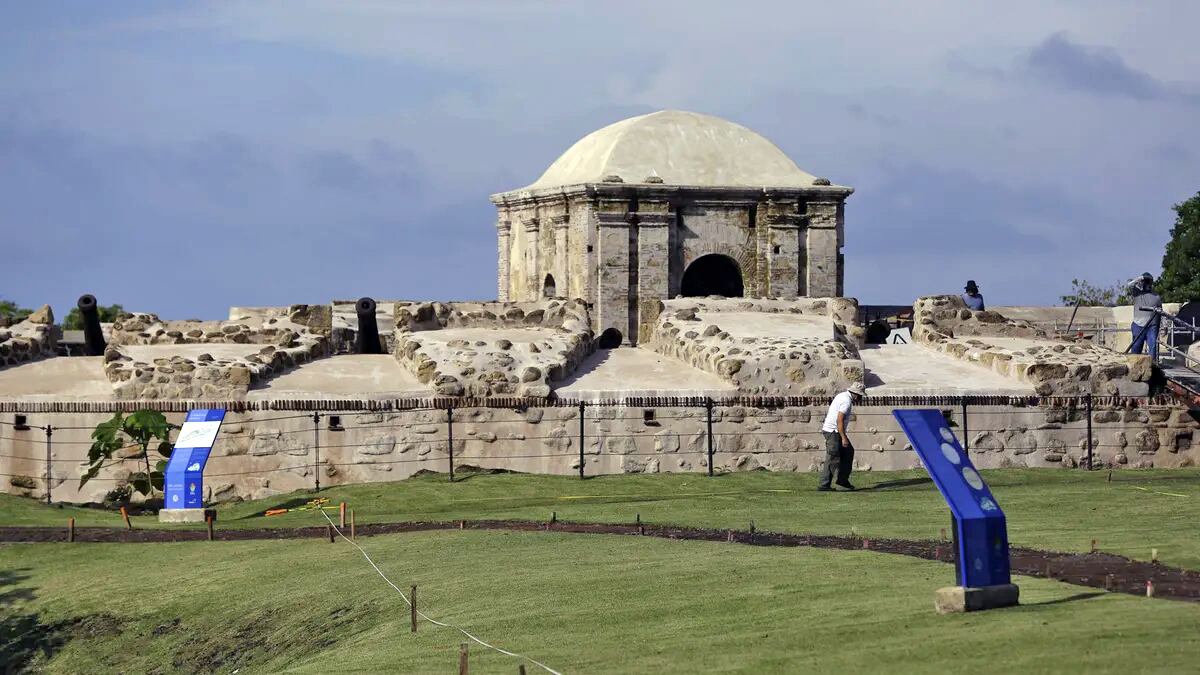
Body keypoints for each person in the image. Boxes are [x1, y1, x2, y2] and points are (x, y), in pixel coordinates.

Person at [818, 381, 865, 491]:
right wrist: (843, 437)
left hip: (835, 430)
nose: (860, 399)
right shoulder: (846, 401)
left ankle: (842, 481)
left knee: (848, 452)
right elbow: (839, 420)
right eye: (860, 396)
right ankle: (824, 485)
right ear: (855, 394)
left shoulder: (842, 395)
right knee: (833, 457)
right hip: (833, 431)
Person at [1127, 273, 1163, 359]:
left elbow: (1161, 312)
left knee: (1153, 347)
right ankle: (1134, 365)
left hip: (1152, 326)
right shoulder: (1137, 293)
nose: (1147, 284)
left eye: (1149, 282)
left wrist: (1164, 325)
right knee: (1136, 347)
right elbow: (1129, 285)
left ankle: (1153, 366)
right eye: (1146, 281)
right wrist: (1140, 278)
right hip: (1138, 325)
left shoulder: (1156, 297)